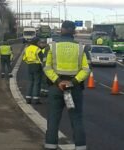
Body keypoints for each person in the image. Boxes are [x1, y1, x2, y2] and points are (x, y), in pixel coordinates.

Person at [43, 21, 90, 150]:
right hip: (74, 89)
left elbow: (47, 67)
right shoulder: (81, 47)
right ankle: (80, 146)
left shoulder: (52, 47)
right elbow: (86, 69)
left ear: (61, 30)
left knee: (53, 118)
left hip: (56, 88)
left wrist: (58, 82)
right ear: (74, 31)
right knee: (76, 118)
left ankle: (50, 145)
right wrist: (72, 82)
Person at [23, 37, 42, 104]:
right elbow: (41, 59)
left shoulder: (27, 48)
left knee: (30, 82)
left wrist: (29, 62)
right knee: (37, 82)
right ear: (36, 42)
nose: (40, 43)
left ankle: (28, 98)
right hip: (37, 66)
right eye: (39, 42)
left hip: (30, 66)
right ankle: (36, 99)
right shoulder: (38, 49)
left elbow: (24, 58)